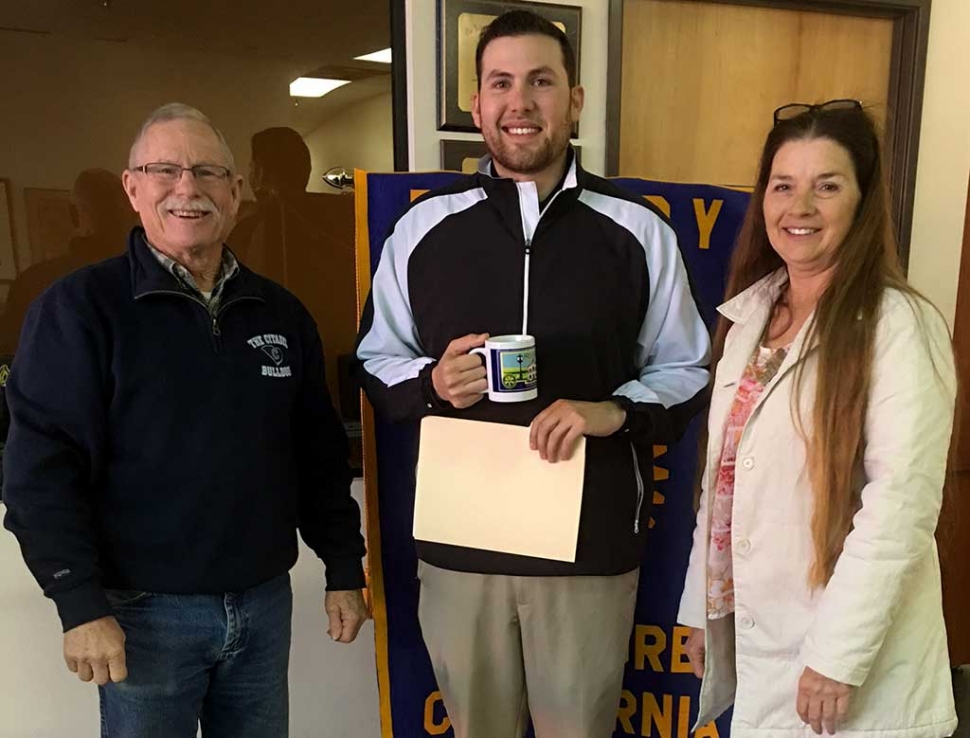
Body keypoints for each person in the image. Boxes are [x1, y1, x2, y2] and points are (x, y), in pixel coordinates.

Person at [356, 11, 710, 738]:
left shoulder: (638, 231)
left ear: (574, 100)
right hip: (463, 553)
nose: (520, 103)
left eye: (541, 82)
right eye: (501, 84)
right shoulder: (422, 231)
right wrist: (431, 384)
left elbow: (689, 367)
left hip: (589, 553)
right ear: (478, 107)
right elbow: (373, 356)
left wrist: (613, 411)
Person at [3, 103, 368, 737]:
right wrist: (78, 603)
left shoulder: (279, 312)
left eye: (206, 171)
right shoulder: (79, 311)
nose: (187, 188)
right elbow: (39, 471)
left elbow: (317, 454)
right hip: (141, 614)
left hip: (262, 603)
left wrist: (342, 567)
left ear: (235, 191)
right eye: (164, 170)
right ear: (133, 188)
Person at [677, 100, 958, 737]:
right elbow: (721, 484)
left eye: (826, 186)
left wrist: (838, 657)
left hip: (848, 664)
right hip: (762, 639)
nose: (799, 207)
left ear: (861, 201)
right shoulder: (752, 318)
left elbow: (900, 508)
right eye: (783, 186)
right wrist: (703, 607)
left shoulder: (899, 326)